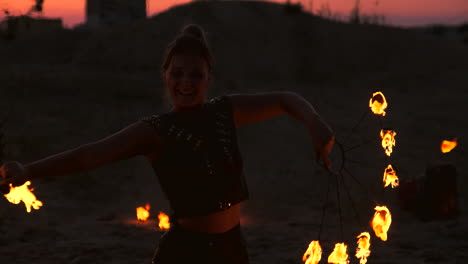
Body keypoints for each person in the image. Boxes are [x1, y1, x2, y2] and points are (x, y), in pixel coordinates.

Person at [0, 24, 334, 264]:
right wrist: (29, 169)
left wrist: (316, 125)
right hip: (186, 251)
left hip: (233, 247)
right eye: (177, 74)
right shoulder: (155, 131)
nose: (185, 83)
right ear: (165, 75)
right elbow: (90, 156)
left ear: (209, 78)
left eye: (195, 75)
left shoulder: (224, 111)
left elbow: (288, 99)